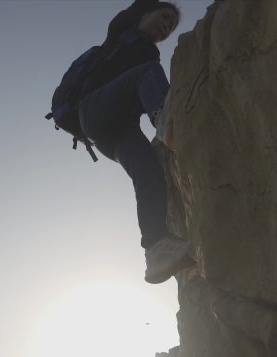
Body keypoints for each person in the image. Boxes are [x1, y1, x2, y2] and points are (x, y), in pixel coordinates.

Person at [78, 0, 195, 284]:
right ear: (145, 13)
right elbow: (135, 11)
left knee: (149, 172)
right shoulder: (122, 32)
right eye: (163, 18)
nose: (165, 27)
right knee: (148, 72)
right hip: (93, 110)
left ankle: (156, 249)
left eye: (169, 27)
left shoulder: (147, 54)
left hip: (115, 130)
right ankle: (170, 121)